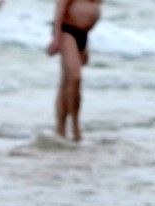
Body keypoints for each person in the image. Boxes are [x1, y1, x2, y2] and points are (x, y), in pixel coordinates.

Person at [46, 0, 100, 141]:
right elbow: (60, 8)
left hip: (82, 35)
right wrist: (56, 38)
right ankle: (75, 127)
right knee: (75, 77)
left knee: (67, 81)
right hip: (67, 31)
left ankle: (61, 130)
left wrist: (85, 45)